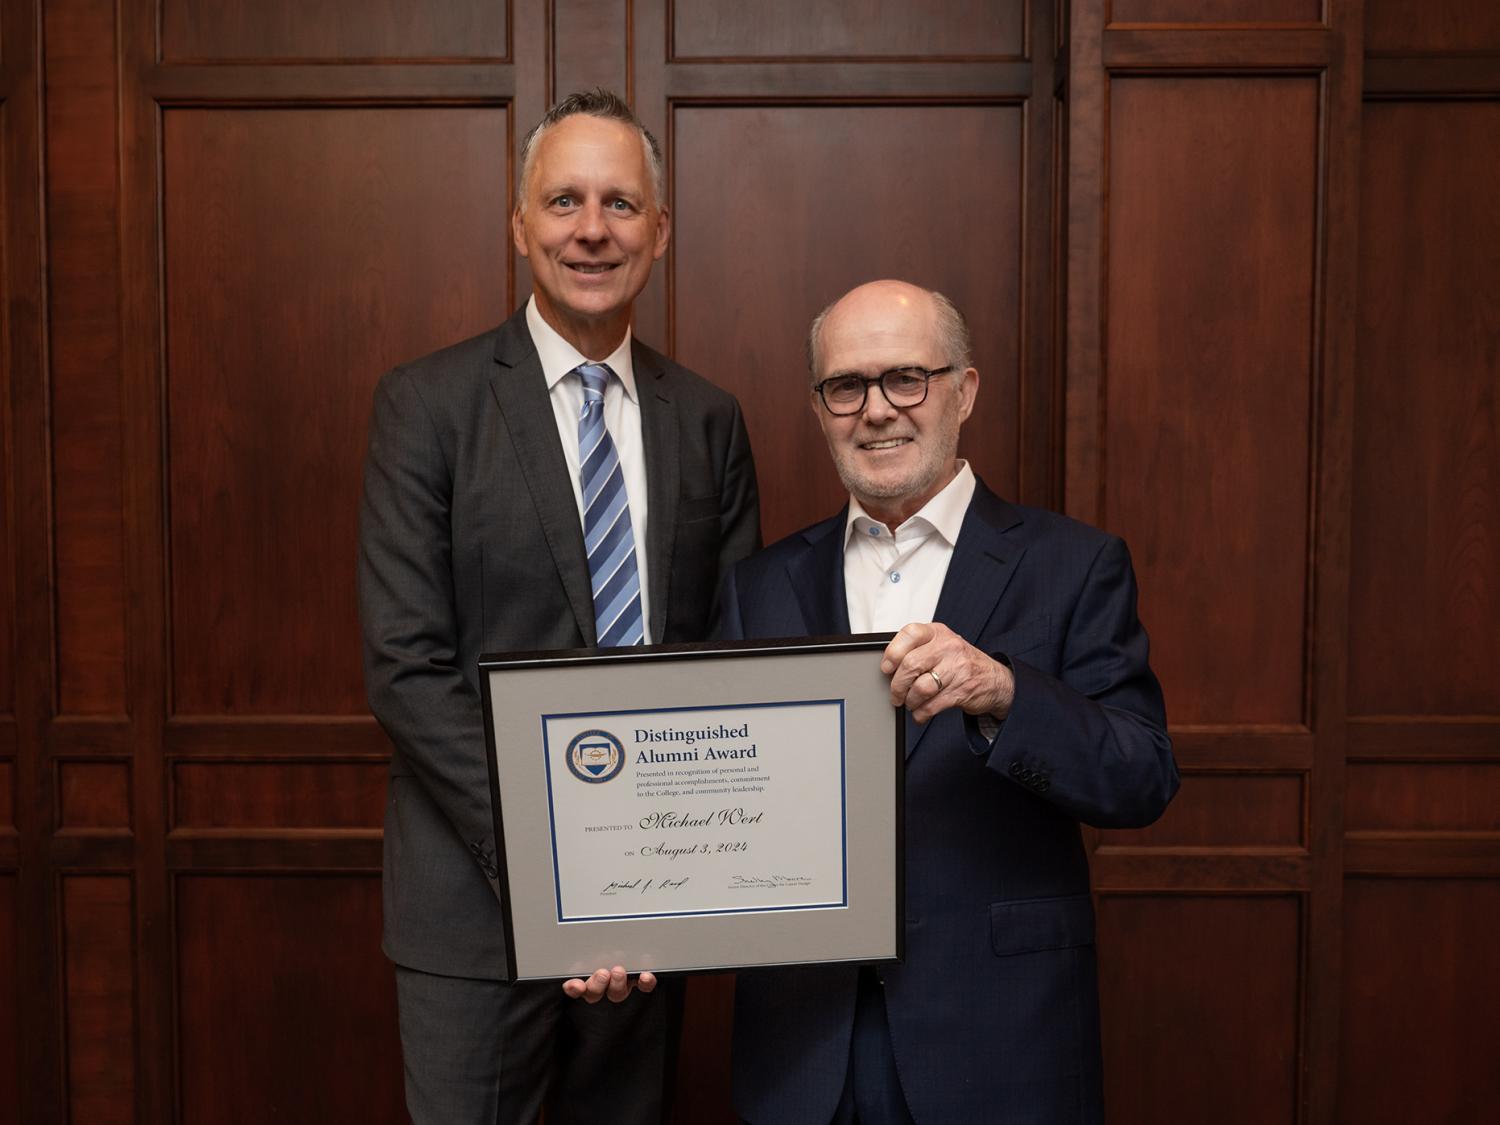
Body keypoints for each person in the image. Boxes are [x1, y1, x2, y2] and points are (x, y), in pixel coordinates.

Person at [358, 89, 760, 1125]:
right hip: (476, 910)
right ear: (519, 224)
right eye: (564, 201)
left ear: (659, 231)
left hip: (651, 913)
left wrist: (650, 881)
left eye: (620, 204)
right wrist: (563, 871)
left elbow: (728, 662)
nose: (592, 229)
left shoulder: (708, 420)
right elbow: (407, 667)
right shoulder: (427, 406)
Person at [719, 279, 1177, 1123]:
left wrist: (1005, 692)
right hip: (807, 1051)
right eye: (846, 386)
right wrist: (631, 930)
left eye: (907, 378)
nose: (876, 410)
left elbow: (1142, 774)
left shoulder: (1074, 565)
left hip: (1000, 1042)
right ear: (819, 409)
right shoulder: (761, 587)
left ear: (963, 391)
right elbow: (723, 804)